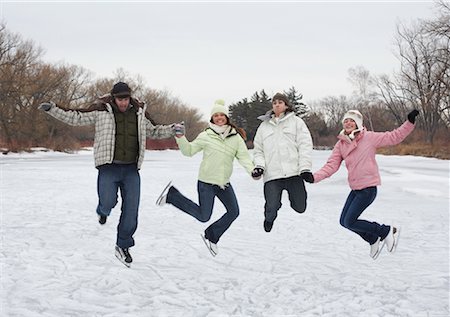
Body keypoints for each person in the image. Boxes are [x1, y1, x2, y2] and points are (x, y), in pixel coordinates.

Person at [38, 82, 177, 267]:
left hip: (131, 169)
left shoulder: (139, 113)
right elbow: (76, 117)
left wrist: (173, 129)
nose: (123, 102)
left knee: (131, 210)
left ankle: (123, 245)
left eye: (126, 98)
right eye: (120, 99)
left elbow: (154, 130)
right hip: (108, 167)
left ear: (130, 98)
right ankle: (103, 211)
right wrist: (52, 109)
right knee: (108, 201)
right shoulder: (101, 111)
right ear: (113, 98)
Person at [309, 109, 419, 259]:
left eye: (351, 120)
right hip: (355, 189)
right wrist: (314, 177)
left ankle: (385, 231)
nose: (348, 122)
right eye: (346, 120)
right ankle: (372, 239)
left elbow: (394, 137)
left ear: (358, 123)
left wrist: (409, 123)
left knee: (349, 221)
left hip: (368, 188)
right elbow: (331, 165)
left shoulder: (369, 138)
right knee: (344, 221)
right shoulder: (341, 144)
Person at [155, 100, 255, 256]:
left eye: (222, 115)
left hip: (223, 184)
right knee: (203, 216)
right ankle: (172, 196)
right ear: (212, 118)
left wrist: (253, 171)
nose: (219, 118)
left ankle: (211, 236)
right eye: (216, 115)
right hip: (206, 183)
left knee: (234, 212)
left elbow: (245, 158)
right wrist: (180, 137)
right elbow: (188, 151)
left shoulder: (235, 138)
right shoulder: (206, 136)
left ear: (226, 117)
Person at [252, 93, 314, 233]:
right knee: (271, 207)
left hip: (294, 173)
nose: (277, 105)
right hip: (273, 175)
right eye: (274, 103)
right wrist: (259, 166)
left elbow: (305, 145)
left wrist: (305, 168)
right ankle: (269, 218)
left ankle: (291, 200)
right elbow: (258, 150)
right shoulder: (264, 126)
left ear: (286, 105)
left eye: (280, 102)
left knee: (300, 207)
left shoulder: (297, 122)